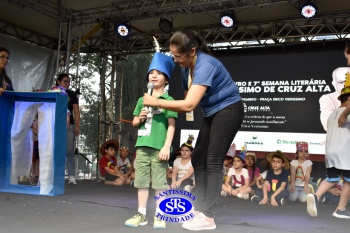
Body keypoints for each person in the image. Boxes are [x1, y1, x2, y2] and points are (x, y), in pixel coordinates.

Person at [143, 29, 243, 231]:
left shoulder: (206, 64)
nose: (176, 60)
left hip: (229, 109)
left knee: (213, 160)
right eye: (173, 56)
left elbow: (189, 105)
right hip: (211, 112)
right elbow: (190, 99)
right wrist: (162, 100)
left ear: (193, 51)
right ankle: (199, 208)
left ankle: (208, 216)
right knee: (198, 159)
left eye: (178, 56)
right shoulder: (184, 68)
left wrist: (156, 102)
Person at [124, 51, 177, 229]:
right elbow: (134, 122)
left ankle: (160, 215)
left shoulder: (169, 100)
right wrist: (140, 117)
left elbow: (171, 125)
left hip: (159, 147)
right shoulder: (142, 99)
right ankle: (142, 214)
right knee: (141, 182)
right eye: (151, 72)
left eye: (159, 73)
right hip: (142, 146)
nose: (154, 75)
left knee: (160, 183)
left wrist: (167, 147)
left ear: (167, 79)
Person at [307, 76, 350, 219]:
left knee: (332, 178)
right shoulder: (346, 114)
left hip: (331, 152)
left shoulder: (332, 114)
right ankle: (341, 209)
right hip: (345, 152)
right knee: (349, 181)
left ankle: (315, 195)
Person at [55, 73, 80, 185]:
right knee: (56, 149)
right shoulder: (53, 92)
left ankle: (71, 175)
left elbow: (76, 110)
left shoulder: (71, 94)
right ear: (58, 81)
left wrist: (77, 126)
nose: (67, 83)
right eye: (65, 81)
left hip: (70, 124)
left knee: (70, 150)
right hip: (56, 124)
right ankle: (56, 174)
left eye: (69, 82)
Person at [319, 67, 350, 131]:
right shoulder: (327, 98)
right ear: (334, 84)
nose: (346, 85)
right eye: (341, 82)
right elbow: (328, 125)